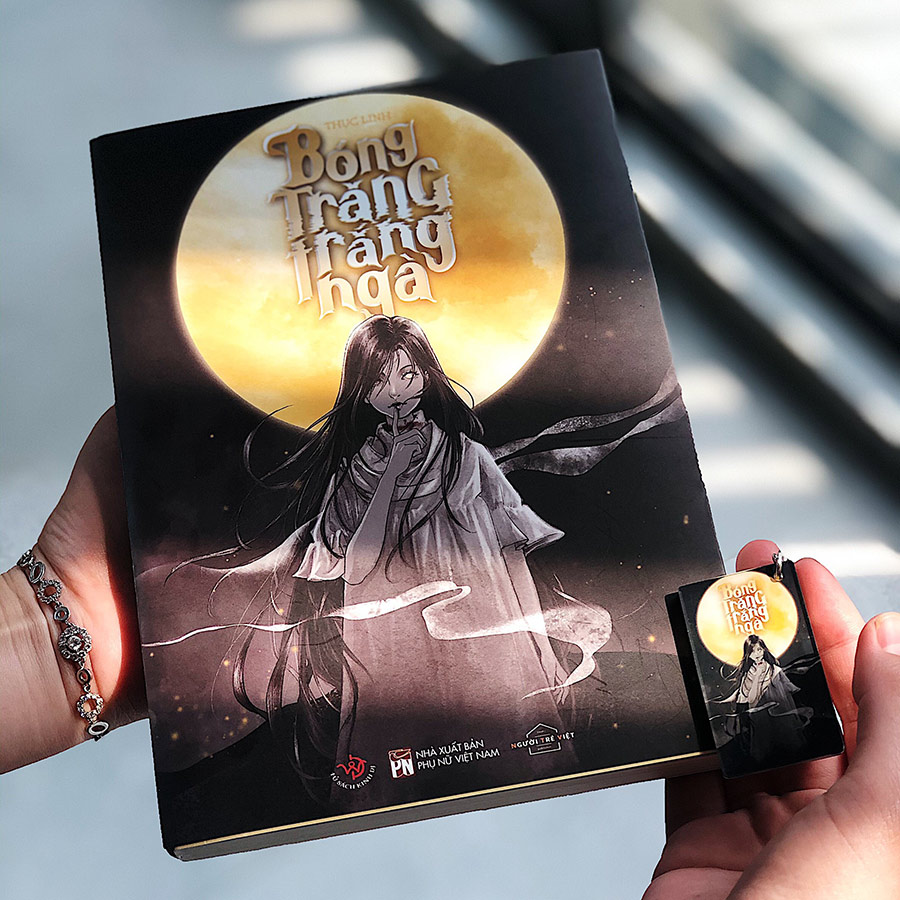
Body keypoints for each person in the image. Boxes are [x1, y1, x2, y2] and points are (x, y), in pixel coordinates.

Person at [1, 409, 898, 898]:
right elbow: (334, 540)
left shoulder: (458, 450)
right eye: (382, 370)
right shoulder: (354, 459)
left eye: (407, 368)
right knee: (387, 700)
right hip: (380, 604)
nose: (396, 383)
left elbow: (503, 522)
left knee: (500, 689)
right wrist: (49, 640)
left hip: (469, 587)